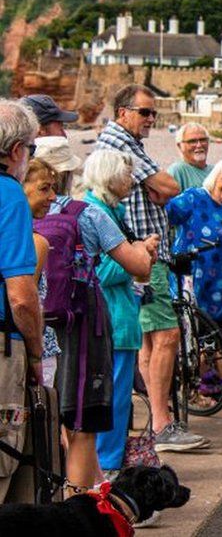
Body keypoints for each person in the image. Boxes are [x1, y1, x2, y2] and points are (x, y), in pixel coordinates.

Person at [94, 84, 204, 450]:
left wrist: (159, 187)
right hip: (143, 252)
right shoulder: (121, 143)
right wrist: (158, 186)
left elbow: (163, 187)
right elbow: (167, 185)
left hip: (138, 250)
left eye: (154, 113)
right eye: (144, 112)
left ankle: (156, 421)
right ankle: (162, 424)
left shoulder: (125, 143)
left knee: (148, 340)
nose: (151, 119)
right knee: (166, 336)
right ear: (123, 112)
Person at [41, 150, 157, 493]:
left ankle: (87, 489)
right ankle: (79, 509)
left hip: (35, 327)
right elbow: (139, 268)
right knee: (82, 424)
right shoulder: (88, 214)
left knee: (47, 420)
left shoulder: (20, 212)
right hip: (82, 326)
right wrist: (142, 249)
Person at [79, 150, 155, 476]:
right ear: (111, 176)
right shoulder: (98, 214)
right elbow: (104, 272)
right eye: (126, 174)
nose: (131, 180)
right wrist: (140, 253)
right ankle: (108, 465)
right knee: (115, 398)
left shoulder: (106, 210)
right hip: (112, 319)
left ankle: (106, 461)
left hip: (114, 317)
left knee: (112, 396)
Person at [0, 99, 44, 504]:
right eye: (31, 150)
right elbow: (21, 296)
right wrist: (35, 356)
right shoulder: (8, 193)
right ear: (15, 151)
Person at [167, 158, 222, 332]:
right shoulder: (194, 198)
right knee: (189, 336)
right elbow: (166, 212)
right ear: (214, 180)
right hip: (192, 281)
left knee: (217, 340)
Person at [20, 160, 62, 388]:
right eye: (44, 188)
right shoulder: (36, 243)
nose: (53, 197)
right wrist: (35, 354)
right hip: (31, 352)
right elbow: (26, 302)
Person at [167, 123, 212, 192]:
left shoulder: (215, 171)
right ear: (180, 146)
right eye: (192, 141)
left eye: (203, 140)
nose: (199, 145)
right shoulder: (177, 171)